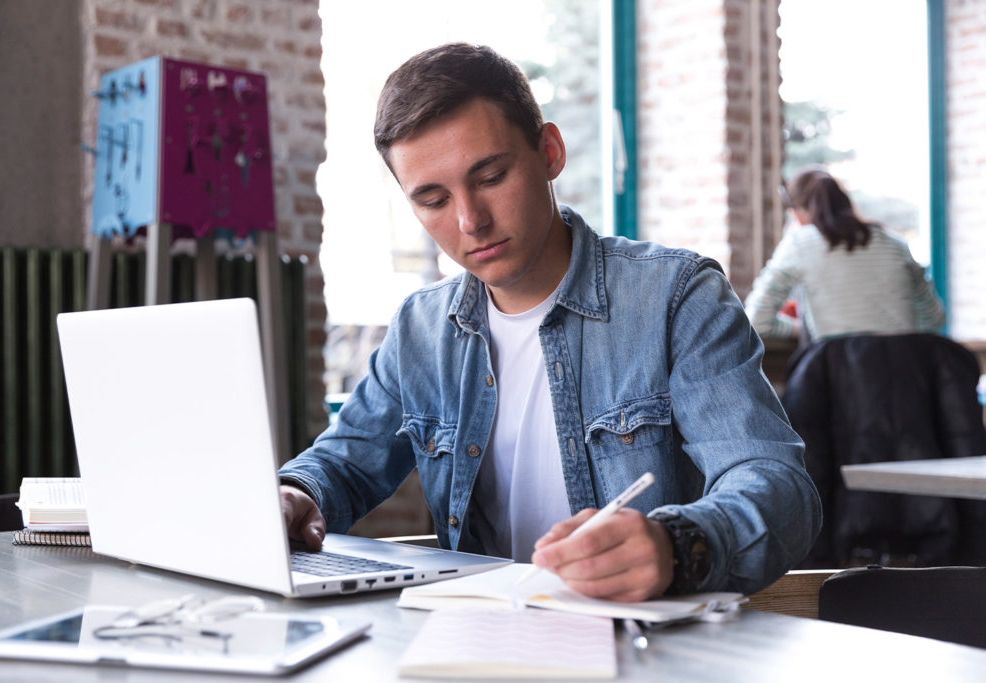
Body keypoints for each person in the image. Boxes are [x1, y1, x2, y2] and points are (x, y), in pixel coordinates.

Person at [279, 43, 820, 602]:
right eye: (434, 200)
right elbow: (344, 462)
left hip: (642, 646)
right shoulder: (422, 328)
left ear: (550, 152)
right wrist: (295, 493)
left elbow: (778, 489)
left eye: (490, 176)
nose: (471, 221)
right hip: (479, 643)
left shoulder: (675, 297)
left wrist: (676, 545)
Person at [744, 166, 945, 342]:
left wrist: (802, 329)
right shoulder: (894, 243)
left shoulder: (800, 243)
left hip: (837, 374)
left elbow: (756, 321)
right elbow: (933, 320)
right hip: (908, 373)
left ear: (796, 213)